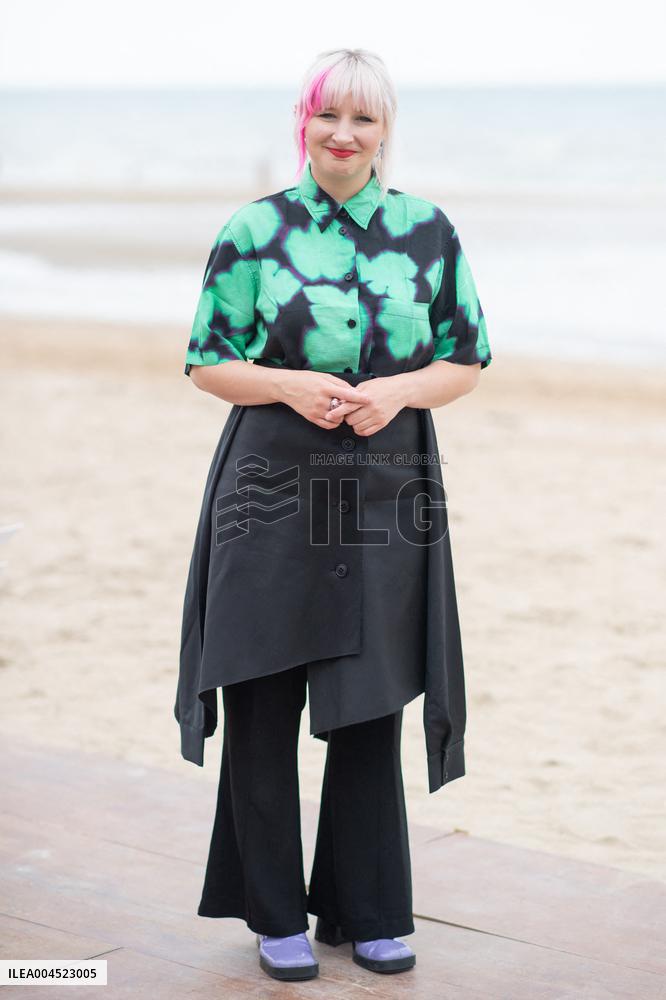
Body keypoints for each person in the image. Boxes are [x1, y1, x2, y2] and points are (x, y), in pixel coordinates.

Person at [174, 47, 492, 982]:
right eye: (327, 117)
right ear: (302, 126)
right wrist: (286, 384)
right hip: (273, 476)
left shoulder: (428, 231)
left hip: (389, 481)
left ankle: (367, 908)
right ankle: (273, 912)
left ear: (385, 128)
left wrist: (395, 395)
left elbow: (466, 359)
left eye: (362, 119)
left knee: (371, 698)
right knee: (263, 694)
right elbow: (205, 359)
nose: (343, 135)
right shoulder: (255, 231)